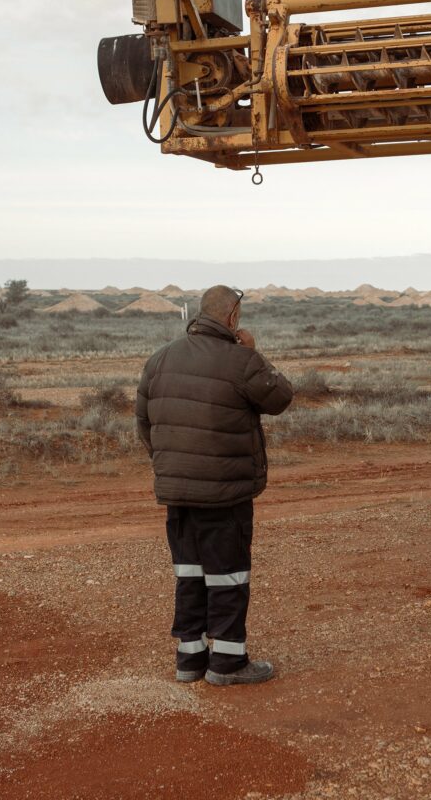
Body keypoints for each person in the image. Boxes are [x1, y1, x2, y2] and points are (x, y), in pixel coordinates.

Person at [136, 285, 294, 686]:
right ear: (233, 318)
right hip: (224, 492)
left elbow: (144, 422)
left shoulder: (159, 359)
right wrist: (254, 352)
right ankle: (227, 663)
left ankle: (189, 660)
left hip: (177, 491)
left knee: (189, 572)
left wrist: (172, 463)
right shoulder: (241, 361)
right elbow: (280, 397)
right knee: (228, 575)